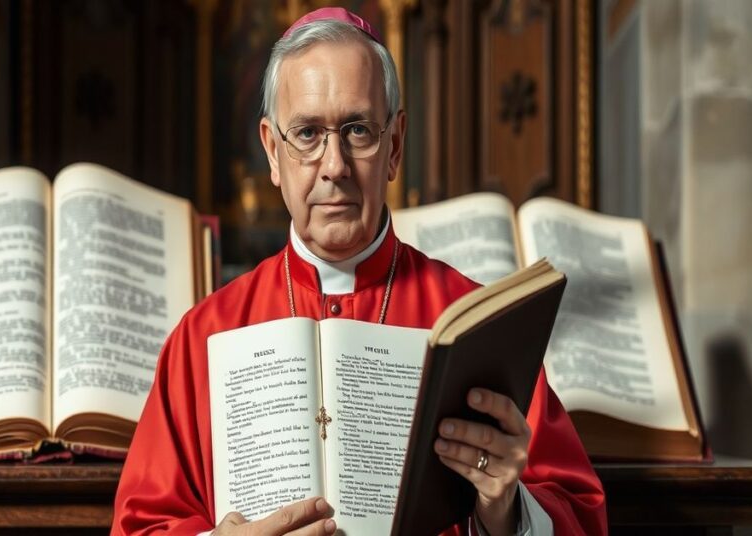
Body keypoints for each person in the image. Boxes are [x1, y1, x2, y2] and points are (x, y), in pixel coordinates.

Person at [111, 7, 606, 535]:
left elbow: (578, 513)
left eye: (358, 130)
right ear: (272, 152)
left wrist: (505, 509)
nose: (335, 166)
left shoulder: (476, 326)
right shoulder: (202, 337)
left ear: (394, 146)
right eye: (307, 133)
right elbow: (140, 524)